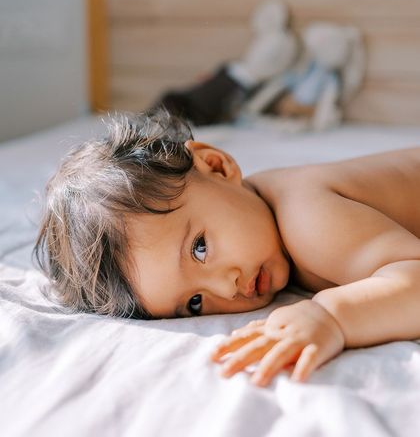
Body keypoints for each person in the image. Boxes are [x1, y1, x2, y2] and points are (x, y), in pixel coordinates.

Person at [34, 109, 420, 387]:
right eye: (195, 303)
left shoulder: (307, 217)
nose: (224, 289)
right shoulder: (266, 229)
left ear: (217, 166)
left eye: (200, 249)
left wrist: (331, 318)